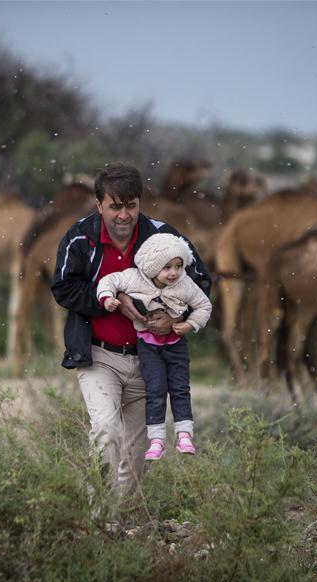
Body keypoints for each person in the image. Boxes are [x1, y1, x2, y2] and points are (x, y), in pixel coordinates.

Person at [51, 164, 211, 500]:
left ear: (140, 202)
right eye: (115, 206)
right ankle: (99, 519)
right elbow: (63, 288)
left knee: (136, 458)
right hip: (98, 356)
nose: (124, 215)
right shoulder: (80, 238)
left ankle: (120, 525)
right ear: (99, 205)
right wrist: (111, 301)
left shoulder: (163, 236)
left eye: (131, 205)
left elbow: (201, 281)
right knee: (106, 433)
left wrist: (173, 316)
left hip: (149, 360)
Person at [96, 233, 212, 460]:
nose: (174, 273)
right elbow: (108, 281)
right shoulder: (135, 278)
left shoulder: (185, 284)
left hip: (177, 345)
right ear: (152, 266)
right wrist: (107, 298)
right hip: (148, 347)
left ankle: (184, 434)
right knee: (155, 390)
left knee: (180, 389)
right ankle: (156, 439)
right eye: (167, 267)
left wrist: (189, 324)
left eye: (179, 266)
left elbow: (204, 306)